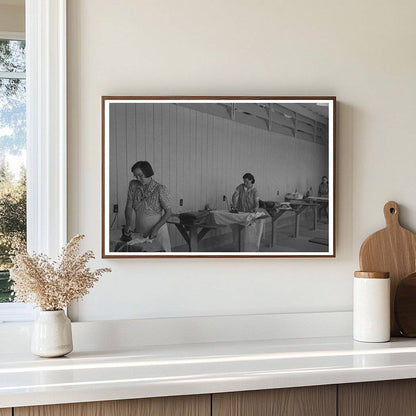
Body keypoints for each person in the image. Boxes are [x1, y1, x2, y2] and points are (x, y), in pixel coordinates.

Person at [124, 161, 172, 251]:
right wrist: (128, 224)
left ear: (148, 173)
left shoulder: (160, 189)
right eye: (135, 176)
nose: (138, 178)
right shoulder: (133, 185)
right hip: (140, 230)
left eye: (140, 175)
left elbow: (168, 212)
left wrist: (156, 229)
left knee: (160, 260)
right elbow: (128, 206)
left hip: (158, 231)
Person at [230, 173, 264, 251]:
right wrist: (234, 205)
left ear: (251, 180)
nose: (245, 183)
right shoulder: (241, 187)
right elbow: (234, 195)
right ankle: (239, 248)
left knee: (249, 232)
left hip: (250, 213)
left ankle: (249, 248)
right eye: (244, 181)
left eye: (247, 182)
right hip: (241, 212)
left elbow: (256, 202)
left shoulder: (255, 191)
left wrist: (255, 209)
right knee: (239, 231)